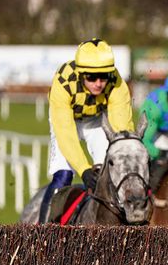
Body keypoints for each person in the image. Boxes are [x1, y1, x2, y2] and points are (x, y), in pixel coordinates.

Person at [39, 38, 134, 223]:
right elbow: (66, 134)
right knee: (63, 176)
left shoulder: (117, 83)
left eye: (103, 76)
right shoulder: (64, 81)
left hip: (96, 121)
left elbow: (122, 129)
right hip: (67, 121)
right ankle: (41, 232)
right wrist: (83, 169)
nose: (98, 83)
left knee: (108, 174)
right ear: (81, 73)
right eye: (91, 77)